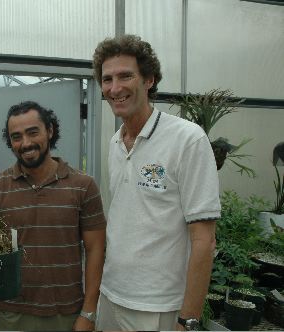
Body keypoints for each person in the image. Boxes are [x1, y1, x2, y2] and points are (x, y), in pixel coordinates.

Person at [92, 34, 220, 331]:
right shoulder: (115, 143)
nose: (115, 88)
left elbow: (204, 240)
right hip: (112, 296)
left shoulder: (187, 139)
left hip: (157, 307)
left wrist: (188, 320)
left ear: (149, 79)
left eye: (126, 76)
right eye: (107, 79)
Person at [0, 101, 106, 331]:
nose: (25, 143)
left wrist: (89, 312)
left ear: (49, 131)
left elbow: (96, 249)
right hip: (13, 313)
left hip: (67, 313)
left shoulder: (83, 186)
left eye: (33, 132)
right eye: (16, 136)